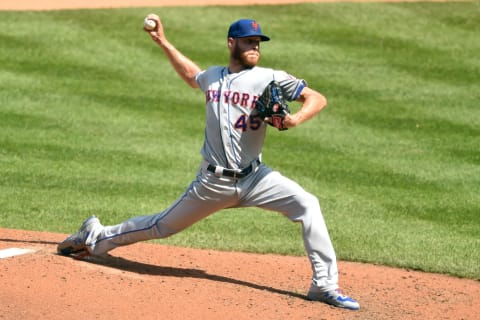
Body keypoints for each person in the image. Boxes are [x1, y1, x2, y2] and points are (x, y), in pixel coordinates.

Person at [57, 14, 360, 310]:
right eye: (248, 41)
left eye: (258, 42)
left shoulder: (271, 77)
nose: (255, 46)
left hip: (257, 179)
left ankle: (324, 285)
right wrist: (163, 41)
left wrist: (294, 120)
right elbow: (192, 75)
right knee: (161, 226)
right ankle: (95, 234)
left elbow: (316, 98)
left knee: (308, 204)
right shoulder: (213, 76)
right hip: (213, 183)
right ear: (232, 43)